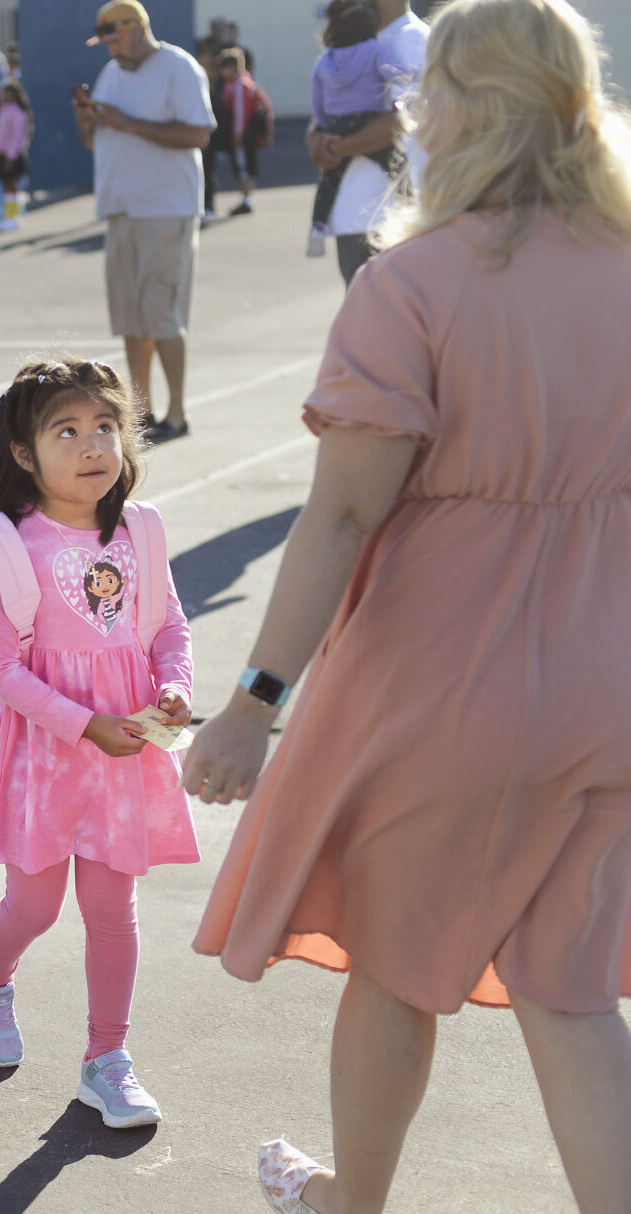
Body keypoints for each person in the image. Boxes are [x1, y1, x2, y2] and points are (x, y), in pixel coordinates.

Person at [186, 3, 631, 1210]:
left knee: (392, 958)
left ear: (463, 110)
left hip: (447, 680)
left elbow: (340, 517)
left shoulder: (415, 283)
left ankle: (350, 1201)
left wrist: (250, 705)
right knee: (573, 989)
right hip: (608, 679)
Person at [0, 358, 195, 1130]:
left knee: (112, 909)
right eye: (67, 431)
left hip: (124, 752)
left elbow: (166, 629)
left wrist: (175, 686)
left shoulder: (140, 530)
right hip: (44, 755)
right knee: (33, 905)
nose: (92, 446)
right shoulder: (5, 548)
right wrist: (84, 724)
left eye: (103, 428)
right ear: (22, 453)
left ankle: (106, 1060)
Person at [74, 0, 215, 444]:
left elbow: (199, 134)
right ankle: (142, 411)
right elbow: (97, 140)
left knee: (163, 316)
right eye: (104, 43)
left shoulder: (179, 67)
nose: (110, 51)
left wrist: (127, 123)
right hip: (121, 209)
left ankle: (177, 413)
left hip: (165, 209)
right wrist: (86, 123)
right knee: (132, 320)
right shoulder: (111, 74)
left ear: (137, 28)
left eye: (114, 40)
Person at [307, 0, 429, 285]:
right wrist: (316, 141)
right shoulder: (353, 40)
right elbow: (320, 119)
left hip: (395, 218)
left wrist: (332, 148)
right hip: (353, 216)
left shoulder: (414, 40)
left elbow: (398, 122)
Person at [307, 1, 400, 258]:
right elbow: (398, 79)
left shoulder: (325, 59)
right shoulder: (375, 49)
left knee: (328, 181)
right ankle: (410, 201)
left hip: (335, 125)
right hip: (367, 119)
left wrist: (323, 131)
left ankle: (316, 226)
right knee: (394, 166)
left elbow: (317, 104)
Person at [205, 47, 266, 219]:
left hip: (242, 136)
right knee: (244, 166)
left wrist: (237, 135)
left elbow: (240, 113)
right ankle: (247, 198)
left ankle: (247, 200)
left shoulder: (238, 85)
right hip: (245, 134)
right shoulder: (244, 82)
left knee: (243, 166)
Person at [0, 79, 33, 231]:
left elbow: (17, 136)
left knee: (11, 188)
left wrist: (11, 156)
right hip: (3, 154)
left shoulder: (17, 112)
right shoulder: (3, 109)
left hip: (12, 156)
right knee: (7, 187)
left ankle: (12, 218)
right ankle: (10, 216)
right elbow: (0, 134)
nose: (3, 96)